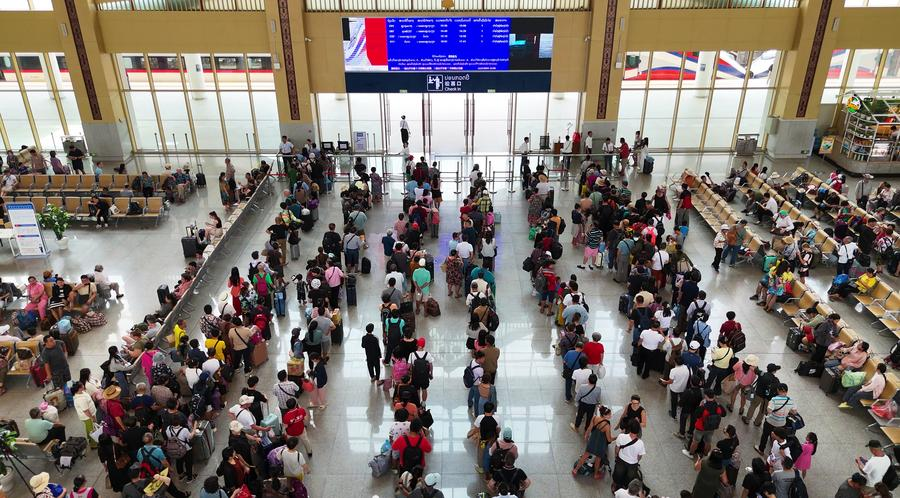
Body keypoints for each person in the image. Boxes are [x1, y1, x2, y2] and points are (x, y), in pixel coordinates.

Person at [612, 420, 645, 492]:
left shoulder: (621, 436)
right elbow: (640, 456)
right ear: (638, 431)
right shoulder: (640, 443)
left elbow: (617, 448)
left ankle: (614, 486)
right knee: (630, 476)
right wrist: (636, 461)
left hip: (621, 460)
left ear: (629, 428)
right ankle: (627, 488)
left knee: (617, 474)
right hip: (632, 463)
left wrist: (616, 456)